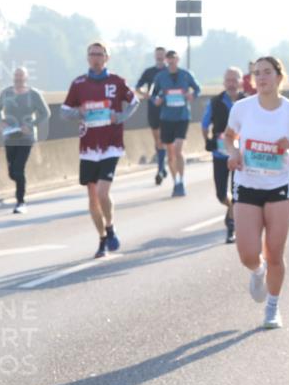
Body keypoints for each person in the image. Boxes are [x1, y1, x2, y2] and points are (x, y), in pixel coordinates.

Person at [224, 56, 289, 329]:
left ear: (279, 76)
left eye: (266, 72)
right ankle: (257, 270)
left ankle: (273, 308)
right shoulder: (242, 108)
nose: (261, 77)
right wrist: (233, 153)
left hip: (281, 186)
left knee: (275, 253)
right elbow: (229, 136)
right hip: (247, 183)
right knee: (247, 254)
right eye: (257, 73)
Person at [61, 42, 139, 258]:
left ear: (107, 57)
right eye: (92, 54)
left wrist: (120, 117)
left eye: (99, 54)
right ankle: (102, 238)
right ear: (87, 58)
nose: (95, 58)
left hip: (111, 146)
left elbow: (135, 102)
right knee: (93, 197)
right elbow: (64, 111)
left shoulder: (116, 81)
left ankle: (110, 227)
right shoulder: (79, 84)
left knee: (103, 192)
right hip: (88, 148)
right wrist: (79, 112)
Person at [0, 67, 51, 213]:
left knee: (19, 169)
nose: (18, 78)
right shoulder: (6, 93)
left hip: (26, 137)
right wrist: (0, 121)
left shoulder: (34, 94)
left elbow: (45, 113)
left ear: (26, 78)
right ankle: (20, 183)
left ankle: (21, 202)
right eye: (16, 75)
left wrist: (31, 125)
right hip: (10, 136)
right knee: (12, 172)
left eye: (21, 76)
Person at [200, 67, 245, 243]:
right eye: (228, 80)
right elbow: (204, 124)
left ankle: (231, 226)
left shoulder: (248, 102)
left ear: (240, 82)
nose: (231, 84)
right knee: (221, 194)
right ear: (224, 82)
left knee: (237, 191)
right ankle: (232, 209)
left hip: (241, 156)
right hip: (220, 154)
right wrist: (208, 140)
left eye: (234, 80)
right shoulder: (215, 102)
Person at [151, 50, 201, 197]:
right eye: (169, 59)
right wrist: (156, 100)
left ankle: (182, 180)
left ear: (178, 59)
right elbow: (153, 94)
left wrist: (192, 95)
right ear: (166, 60)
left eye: (173, 58)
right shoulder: (160, 76)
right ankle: (176, 182)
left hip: (182, 117)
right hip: (166, 117)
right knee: (171, 153)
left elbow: (198, 88)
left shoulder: (186, 74)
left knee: (178, 150)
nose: (171, 61)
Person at [134, 47, 168, 185]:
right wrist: (145, 94)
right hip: (153, 109)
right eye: (157, 55)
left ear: (165, 56)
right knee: (158, 140)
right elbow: (137, 87)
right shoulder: (149, 72)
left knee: (166, 140)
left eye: (162, 55)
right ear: (155, 56)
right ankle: (161, 167)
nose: (159, 57)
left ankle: (161, 168)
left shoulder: (169, 71)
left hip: (168, 110)